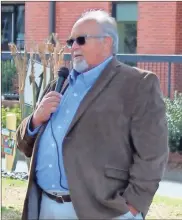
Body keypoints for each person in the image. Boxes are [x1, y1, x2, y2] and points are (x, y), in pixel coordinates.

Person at [16, 10, 169, 220]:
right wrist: (35, 119)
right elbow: (23, 145)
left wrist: (133, 207)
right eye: (71, 41)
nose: (73, 47)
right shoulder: (58, 85)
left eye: (81, 40)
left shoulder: (137, 84)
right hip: (45, 207)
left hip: (101, 211)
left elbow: (153, 154)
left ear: (106, 43)